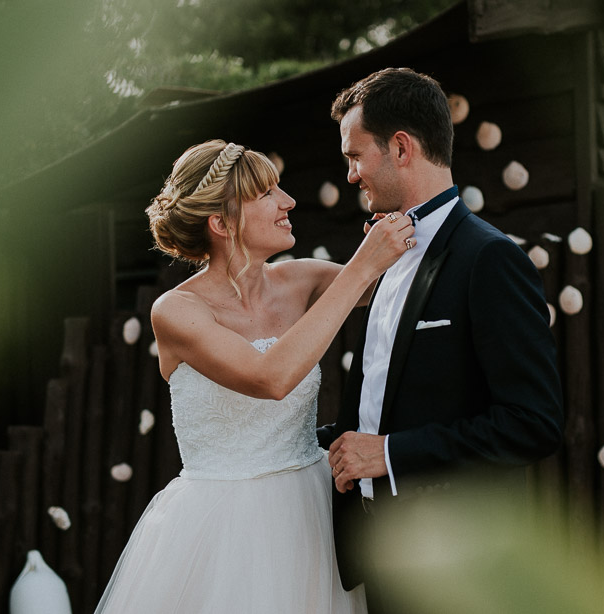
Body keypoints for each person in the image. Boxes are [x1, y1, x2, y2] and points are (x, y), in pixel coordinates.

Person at [93, 139, 414, 614]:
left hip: (314, 511)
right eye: (267, 194)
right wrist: (363, 264)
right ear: (221, 224)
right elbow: (272, 377)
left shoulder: (303, 279)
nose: (288, 202)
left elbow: (402, 280)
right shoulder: (178, 311)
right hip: (221, 530)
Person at [320, 68, 565, 610]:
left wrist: (392, 454)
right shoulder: (383, 256)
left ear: (401, 148)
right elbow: (386, 398)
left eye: (356, 156)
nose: (353, 174)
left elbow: (534, 423)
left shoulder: (489, 259)